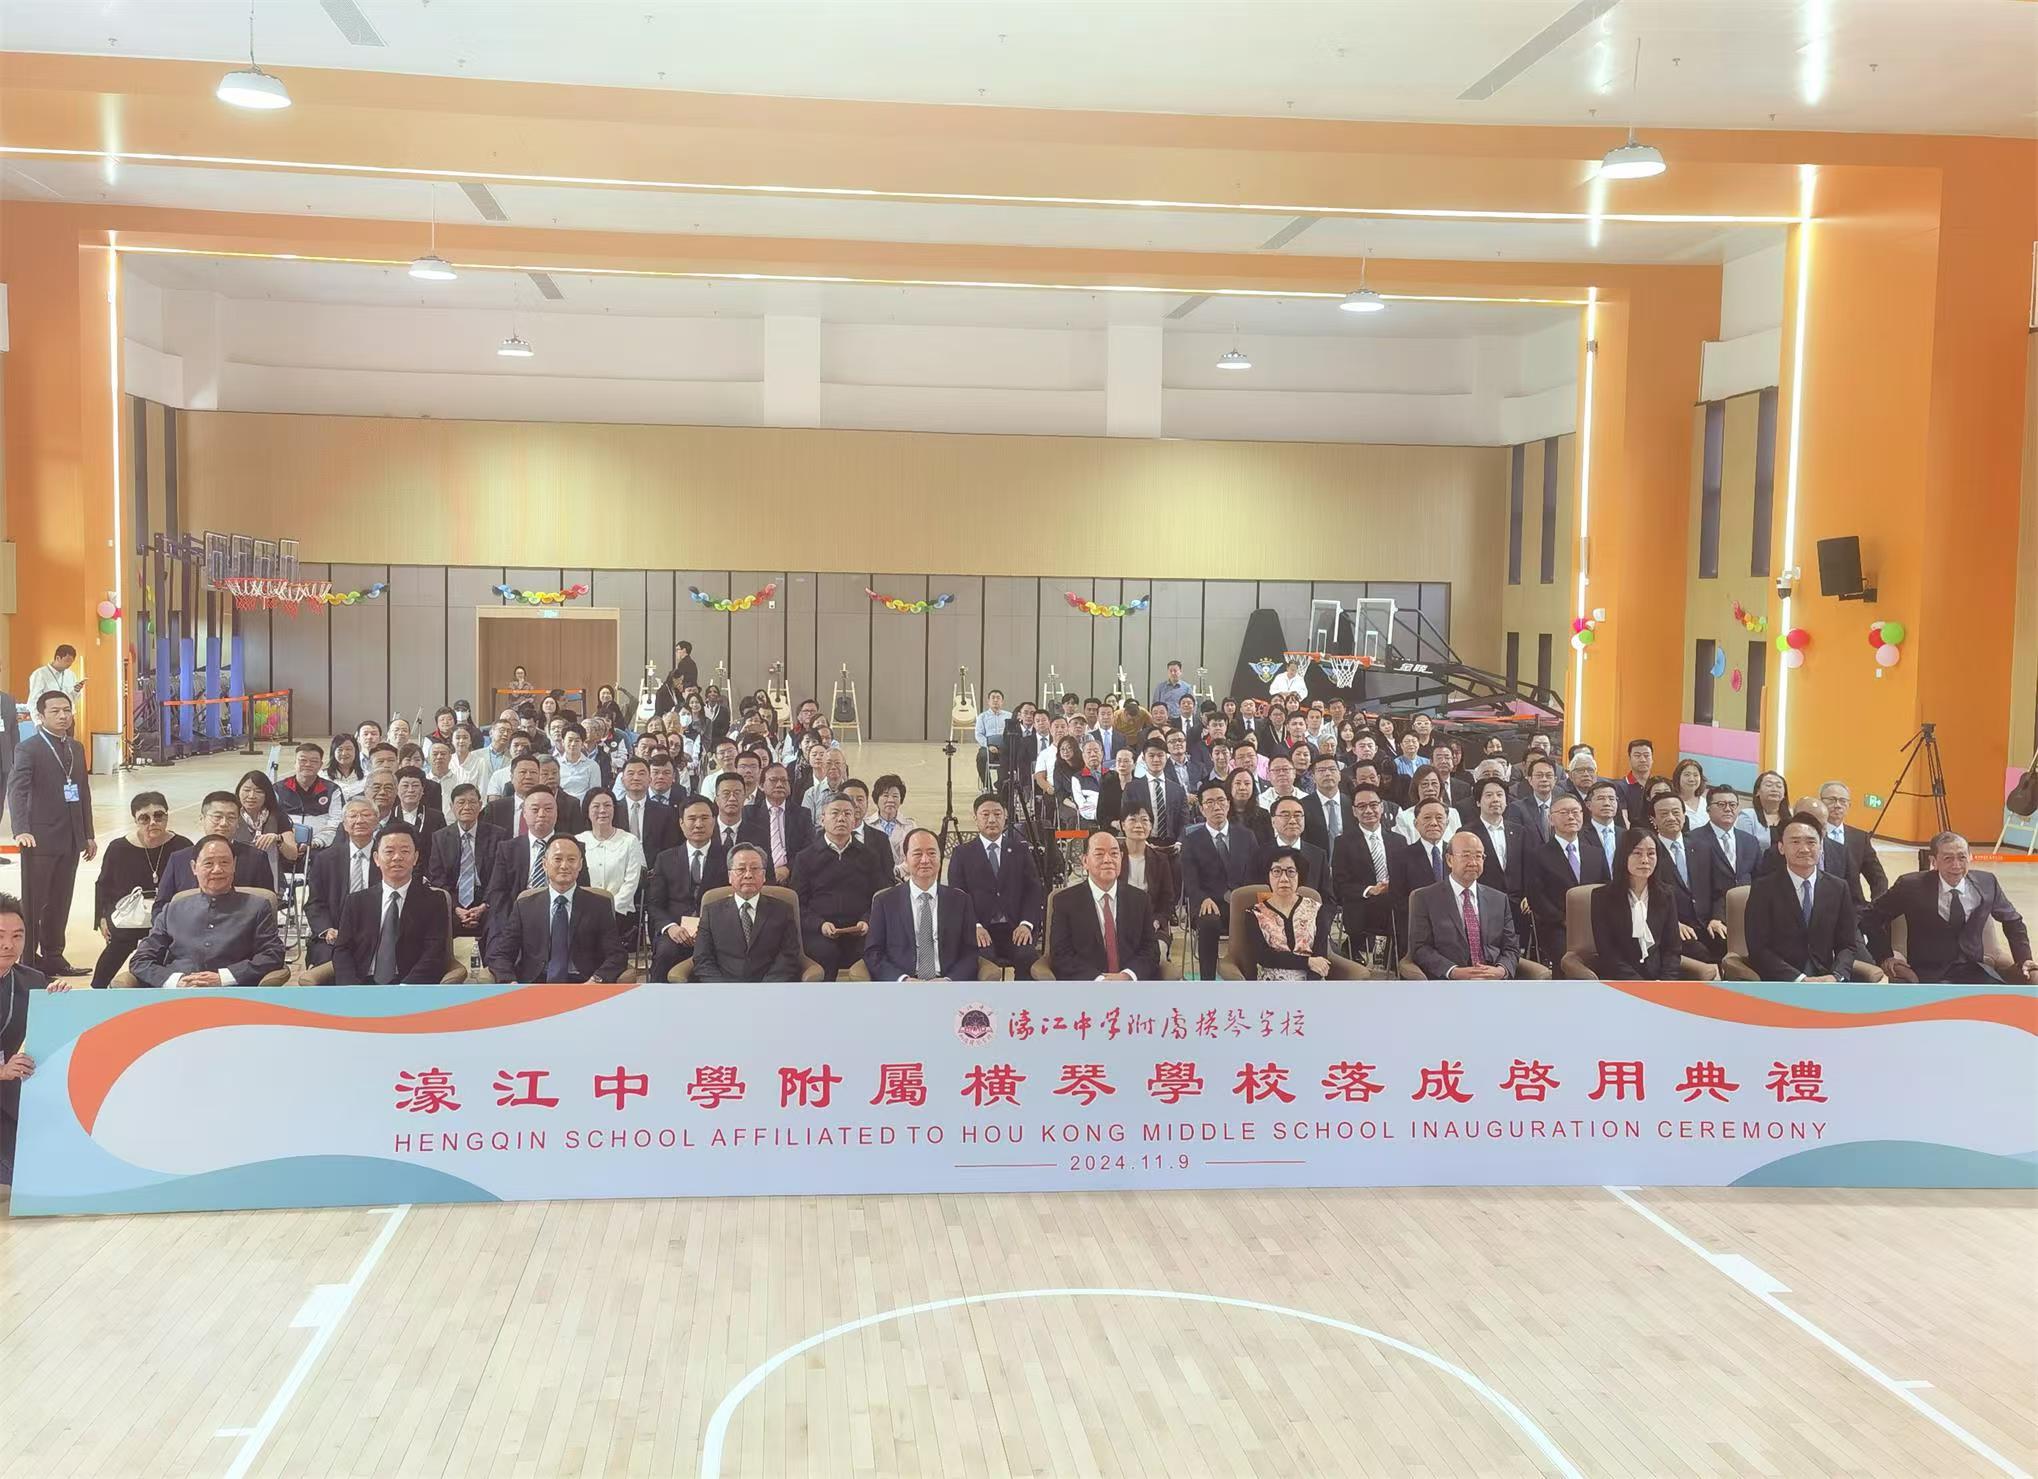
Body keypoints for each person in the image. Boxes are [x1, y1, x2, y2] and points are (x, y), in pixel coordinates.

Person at [1864, 833, 2035, 984]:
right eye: (1948, 858)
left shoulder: (1987, 883)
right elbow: (1870, 918)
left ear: (1970, 857)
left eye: (1962, 857)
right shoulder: (1910, 886)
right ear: (1934, 861)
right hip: (1927, 975)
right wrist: (1885, 956)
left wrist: (2024, 958)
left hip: (1975, 972)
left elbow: (2013, 920)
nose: (1956, 865)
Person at [7, 691, 95, 974]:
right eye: (55, 711)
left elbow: (83, 792)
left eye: (66, 710)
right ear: (41, 716)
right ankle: (29, 962)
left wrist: (88, 834)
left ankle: (54, 956)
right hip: (39, 839)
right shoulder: (29, 748)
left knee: (60, 901)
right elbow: (17, 790)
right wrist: (21, 829)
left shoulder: (76, 747)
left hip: (70, 839)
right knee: (34, 903)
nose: (62, 716)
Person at [129, 836, 286, 987]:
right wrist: (176, 981)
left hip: (233, 994)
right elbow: (141, 959)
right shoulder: (172, 910)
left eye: (224, 862)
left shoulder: (257, 907)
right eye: (208, 863)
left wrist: (224, 978)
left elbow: (272, 954)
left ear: (234, 865)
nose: (217, 870)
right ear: (194, 867)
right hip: (176, 995)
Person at [486, 834, 628, 983]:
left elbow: (617, 955)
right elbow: (501, 955)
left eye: (571, 860)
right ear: (544, 864)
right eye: (558, 859)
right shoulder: (524, 906)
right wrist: (510, 982)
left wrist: (596, 980)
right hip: (535, 984)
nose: (564, 866)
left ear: (580, 865)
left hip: (584, 984)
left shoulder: (599, 905)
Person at [1744, 812, 1863, 982]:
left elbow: (1847, 945)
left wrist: (1836, 976)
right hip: (1782, 981)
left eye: (1811, 842)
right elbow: (1758, 948)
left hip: (1827, 981)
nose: (1804, 849)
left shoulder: (1838, 887)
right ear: (1781, 848)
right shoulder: (1763, 889)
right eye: (1795, 842)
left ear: (1821, 847)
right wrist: (1799, 979)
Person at [90, 792, 191, 988]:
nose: (153, 822)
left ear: (167, 816)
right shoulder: (118, 848)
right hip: (128, 915)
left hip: (168, 913)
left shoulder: (183, 846)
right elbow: (103, 884)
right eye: (145, 818)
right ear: (135, 820)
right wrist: (102, 917)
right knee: (120, 942)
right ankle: (97, 988)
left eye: (159, 816)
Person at [331, 825, 451, 984]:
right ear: (376, 858)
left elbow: (434, 953)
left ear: (415, 858)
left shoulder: (433, 901)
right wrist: (353, 989)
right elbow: (342, 950)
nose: (397, 857)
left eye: (405, 851)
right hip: (362, 986)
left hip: (409, 986)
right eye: (389, 851)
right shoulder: (356, 901)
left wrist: (405, 988)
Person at [792, 796, 892, 980]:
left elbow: (880, 897)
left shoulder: (869, 856)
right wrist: (819, 924)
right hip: (819, 930)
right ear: (822, 819)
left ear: (854, 821)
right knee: (825, 952)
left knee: (872, 951)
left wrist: (867, 920)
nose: (841, 818)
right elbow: (798, 903)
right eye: (835, 813)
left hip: (859, 930)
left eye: (847, 814)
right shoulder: (805, 858)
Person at [862, 828, 981, 981]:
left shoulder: (960, 900)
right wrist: (902, 979)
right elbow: (873, 953)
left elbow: (970, 953)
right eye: (917, 854)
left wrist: (948, 981)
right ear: (905, 859)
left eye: (932, 853)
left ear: (940, 857)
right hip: (902, 986)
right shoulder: (885, 902)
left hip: (947, 984)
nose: (925, 860)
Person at [1045, 831, 1162, 980]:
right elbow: (1061, 954)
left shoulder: (1140, 899)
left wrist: (1127, 976)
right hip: (1086, 986)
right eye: (1099, 854)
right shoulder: (1065, 901)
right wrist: (1100, 980)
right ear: (1085, 861)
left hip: (1131, 986)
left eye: (1114, 854)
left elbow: (1151, 950)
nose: (1108, 860)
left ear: (1121, 858)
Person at [950, 793, 1045, 977]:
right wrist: (974, 926)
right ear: (975, 818)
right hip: (980, 928)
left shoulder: (1020, 850)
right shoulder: (962, 853)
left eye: (997, 814)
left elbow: (1033, 890)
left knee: (1027, 957)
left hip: (1015, 927)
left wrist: (1026, 924)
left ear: (1005, 816)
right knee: (982, 962)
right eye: (985, 815)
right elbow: (958, 896)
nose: (992, 819)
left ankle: (1024, 997)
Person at [1407, 832, 1521, 979]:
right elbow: (1420, 948)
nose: (1473, 862)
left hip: (1493, 979)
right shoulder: (1425, 898)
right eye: (1466, 856)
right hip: (1450, 981)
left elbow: (1511, 947)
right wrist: (1453, 971)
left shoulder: (1499, 899)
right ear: (1449, 860)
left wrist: (1501, 970)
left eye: (1478, 856)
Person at [1178, 780, 1259, 979]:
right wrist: (1202, 899)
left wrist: (1247, 900)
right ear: (1201, 808)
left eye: (1221, 800)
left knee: (1257, 921)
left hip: (1241, 903)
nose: (1217, 807)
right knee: (1209, 923)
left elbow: (1255, 874)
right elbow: (1189, 879)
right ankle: (1208, 982)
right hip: (1209, 903)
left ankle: (1249, 979)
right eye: (1210, 802)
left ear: (1228, 804)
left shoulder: (1246, 836)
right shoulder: (1191, 840)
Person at [692, 843, 804, 981]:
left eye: (755, 869)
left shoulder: (783, 910)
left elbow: (788, 956)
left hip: (770, 988)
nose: (748, 875)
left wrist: (766, 988)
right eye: (741, 869)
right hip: (724, 988)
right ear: (730, 876)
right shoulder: (711, 912)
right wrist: (723, 988)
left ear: (764, 876)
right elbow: (702, 958)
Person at [645, 797, 728, 980]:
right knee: (665, 952)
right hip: (677, 930)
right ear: (681, 823)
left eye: (704, 818)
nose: (698, 824)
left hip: (717, 930)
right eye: (692, 818)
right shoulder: (665, 858)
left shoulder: (728, 857)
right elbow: (654, 904)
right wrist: (671, 927)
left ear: (714, 821)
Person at [0, 894, 49, 1188]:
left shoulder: (32, 980)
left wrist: (59, 1001)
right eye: (0, 936)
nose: (9, 945)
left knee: (34, 1165)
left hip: (8, 1089)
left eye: (17, 936)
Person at [1590, 829, 1685, 980]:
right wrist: (1640, 986)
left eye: (1651, 853)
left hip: (1659, 981)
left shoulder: (1666, 894)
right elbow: (1608, 952)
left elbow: (1672, 949)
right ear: (1624, 856)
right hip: (1620, 981)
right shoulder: (1602, 897)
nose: (1645, 860)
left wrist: (1666, 982)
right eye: (1637, 853)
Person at [1525, 794, 1607, 964]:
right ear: (1551, 819)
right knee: (1570, 963)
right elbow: (1537, 897)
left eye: (1575, 812)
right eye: (1564, 812)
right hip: (1557, 928)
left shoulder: (1596, 853)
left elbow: (1606, 888)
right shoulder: (1538, 855)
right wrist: (1565, 920)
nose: (1571, 817)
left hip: (1596, 924)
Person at [1648, 793, 1728, 963]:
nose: (1671, 817)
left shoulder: (1703, 847)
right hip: (1674, 928)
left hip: (1708, 925)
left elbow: (1719, 891)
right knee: (1701, 955)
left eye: (1676, 812)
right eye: (1664, 814)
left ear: (1684, 816)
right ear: (1653, 820)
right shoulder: (1649, 853)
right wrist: (1673, 923)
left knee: (1733, 949)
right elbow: (1647, 899)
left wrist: (1717, 918)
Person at [428, 783, 502, 947]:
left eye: (472, 802)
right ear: (451, 806)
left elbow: (499, 877)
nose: (467, 807)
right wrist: (456, 908)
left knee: (500, 917)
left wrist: (483, 906)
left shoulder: (497, 835)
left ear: (480, 805)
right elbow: (437, 879)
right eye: (461, 802)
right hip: (453, 901)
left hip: (486, 900)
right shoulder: (440, 837)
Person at [1332, 783, 1400, 952]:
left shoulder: (1398, 840)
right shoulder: (1343, 843)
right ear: (1354, 811)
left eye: (1373, 805)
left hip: (1394, 905)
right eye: (1362, 806)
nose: (1368, 810)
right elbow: (1340, 885)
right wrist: (1371, 890)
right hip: (1362, 905)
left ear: (1381, 807)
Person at [1251, 851, 1332, 979]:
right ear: (1268, 875)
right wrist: (1307, 962)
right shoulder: (1255, 913)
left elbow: (1320, 957)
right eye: (1276, 871)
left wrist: (1311, 987)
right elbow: (1263, 957)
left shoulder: (1316, 910)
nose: (1284, 879)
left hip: (1311, 984)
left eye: (1291, 871)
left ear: (1300, 875)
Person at [578, 789, 646, 936]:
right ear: (587, 811)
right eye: (596, 806)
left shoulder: (629, 841)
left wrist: (609, 909)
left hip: (619, 912)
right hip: (583, 912)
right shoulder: (578, 841)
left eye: (607, 805)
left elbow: (631, 882)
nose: (602, 810)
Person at [1116, 803, 1179, 954]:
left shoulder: (1161, 860)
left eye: (1144, 820)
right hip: (1118, 923)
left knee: (1155, 954)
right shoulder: (1113, 857)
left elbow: (1167, 899)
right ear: (1123, 825)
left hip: (1152, 924)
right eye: (1132, 820)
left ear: (1150, 826)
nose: (1139, 825)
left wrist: (1157, 920)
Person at [1813, 781, 1890, 903]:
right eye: (1831, 800)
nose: (1837, 805)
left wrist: (1876, 906)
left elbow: (1878, 878)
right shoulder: (1811, 835)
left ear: (1849, 805)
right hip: (1820, 904)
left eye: (1843, 801)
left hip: (1854, 905)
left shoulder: (1860, 838)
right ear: (1820, 802)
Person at [1462, 776, 1527, 903]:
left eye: (1499, 795)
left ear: (1506, 801)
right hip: (1484, 901)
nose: (1495, 799)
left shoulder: (1519, 831)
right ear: (1478, 802)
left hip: (1517, 903)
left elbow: (1527, 867)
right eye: (1489, 795)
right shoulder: (1467, 833)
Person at [1258, 796, 1327, 895]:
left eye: (1298, 815)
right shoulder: (1259, 855)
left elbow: (1327, 898)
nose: (1292, 821)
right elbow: (1255, 894)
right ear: (1273, 821)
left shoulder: (1318, 855)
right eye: (1285, 815)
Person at [1696, 784, 1762, 886]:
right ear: (1708, 809)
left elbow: (1759, 878)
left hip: (1745, 895)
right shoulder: (1693, 839)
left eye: (1732, 805)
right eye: (1721, 804)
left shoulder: (1750, 841)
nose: (1728, 809)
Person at [1508, 754, 1561, 843]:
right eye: (1539, 775)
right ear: (1530, 780)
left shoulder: (1562, 807)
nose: (1544, 779)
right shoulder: (1517, 808)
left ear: (1555, 780)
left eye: (1548, 776)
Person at [868, 774, 917, 866]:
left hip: (902, 873)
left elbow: (915, 855)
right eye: (885, 795)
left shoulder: (910, 826)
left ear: (901, 799)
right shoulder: (866, 824)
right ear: (876, 798)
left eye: (895, 796)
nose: (890, 800)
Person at [1738, 770, 1793, 851]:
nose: (1774, 789)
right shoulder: (1747, 815)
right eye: (1769, 785)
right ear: (1757, 792)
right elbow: (1744, 848)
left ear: (1784, 794)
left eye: (1779, 786)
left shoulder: (1793, 816)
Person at [25, 644, 84, 713]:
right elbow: (34, 701)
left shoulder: (71, 674)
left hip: (68, 715)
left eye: (72, 661)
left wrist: (76, 690)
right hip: (49, 716)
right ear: (58, 658)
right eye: (67, 661)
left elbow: (73, 699)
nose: (69, 664)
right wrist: (39, 719)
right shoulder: (40, 674)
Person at [324, 732, 367, 801]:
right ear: (333, 752)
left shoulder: (367, 776)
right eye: (340, 749)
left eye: (348, 749)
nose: (344, 753)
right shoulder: (322, 776)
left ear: (356, 751)